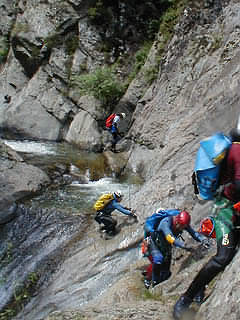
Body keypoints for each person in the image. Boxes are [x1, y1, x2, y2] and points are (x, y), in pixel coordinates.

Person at [173, 127, 240, 320]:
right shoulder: (237, 150)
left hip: (230, 209)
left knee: (227, 252)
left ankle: (199, 289)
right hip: (225, 214)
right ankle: (185, 299)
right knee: (222, 257)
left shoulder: (234, 148)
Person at [142, 209, 206, 289]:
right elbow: (171, 238)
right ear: (177, 221)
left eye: (184, 227)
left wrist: (203, 239)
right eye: (181, 227)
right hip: (153, 242)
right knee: (158, 259)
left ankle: (150, 274)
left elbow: (193, 233)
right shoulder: (165, 223)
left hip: (164, 244)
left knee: (166, 274)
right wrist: (184, 245)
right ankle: (152, 281)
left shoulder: (182, 223)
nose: (182, 229)